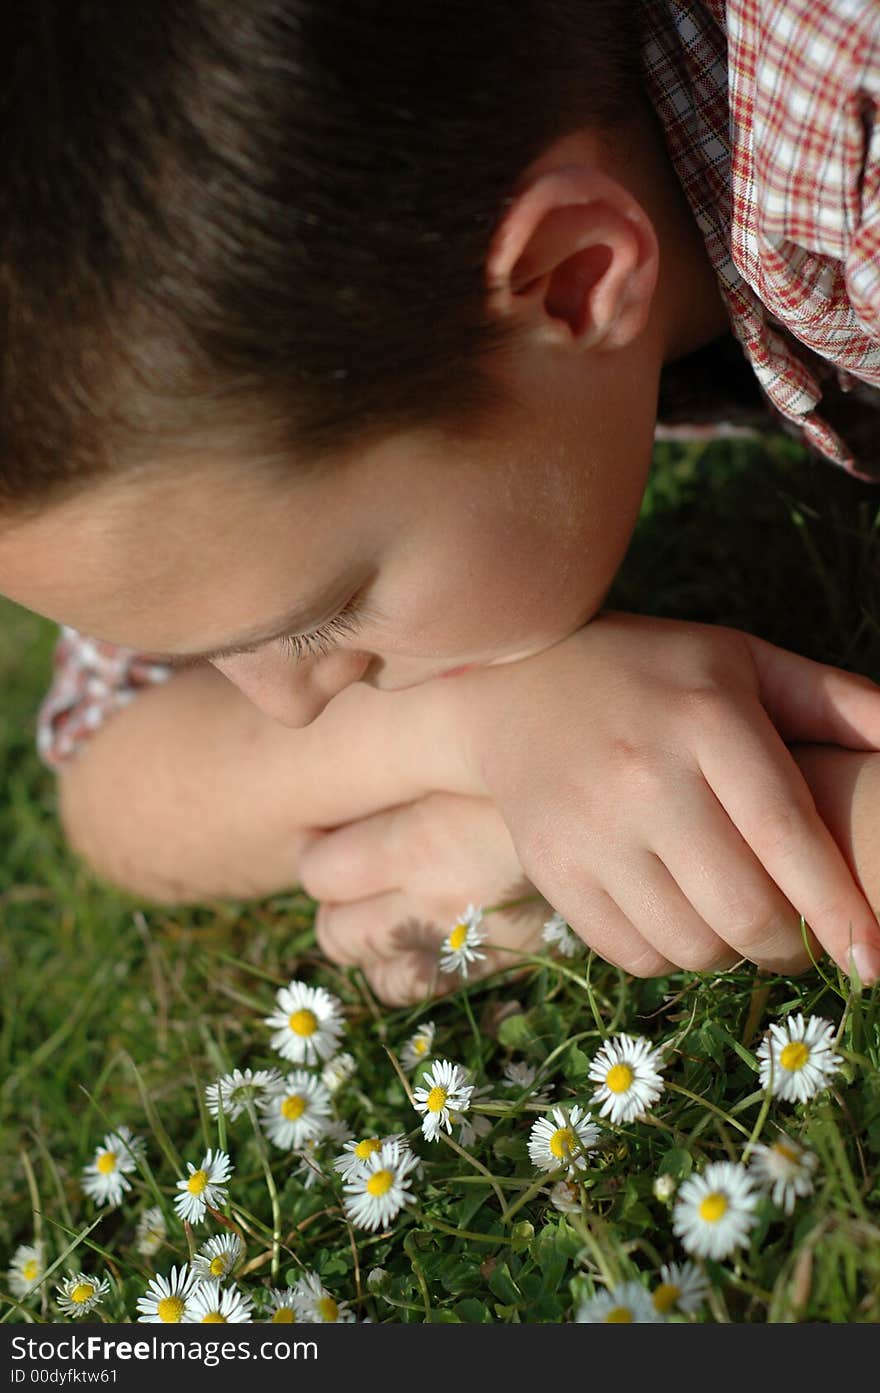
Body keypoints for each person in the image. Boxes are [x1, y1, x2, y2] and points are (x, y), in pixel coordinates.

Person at [3, 1, 880, 1006]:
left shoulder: (851, 132)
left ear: (574, 282)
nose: (293, 713)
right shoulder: (265, 337)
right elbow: (110, 769)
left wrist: (717, 831)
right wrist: (487, 738)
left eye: (326, 615)